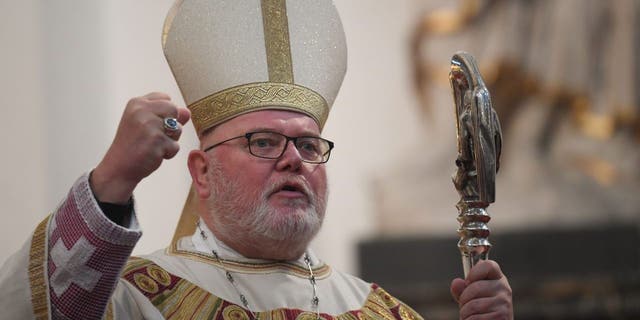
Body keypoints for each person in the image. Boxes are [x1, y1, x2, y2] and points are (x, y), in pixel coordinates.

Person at [0, 0, 512, 319]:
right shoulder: (134, 299)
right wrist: (113, 178)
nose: (294, 160)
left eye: (309, 145)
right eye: (264, 142)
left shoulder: (380, 312)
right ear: (202, 172)